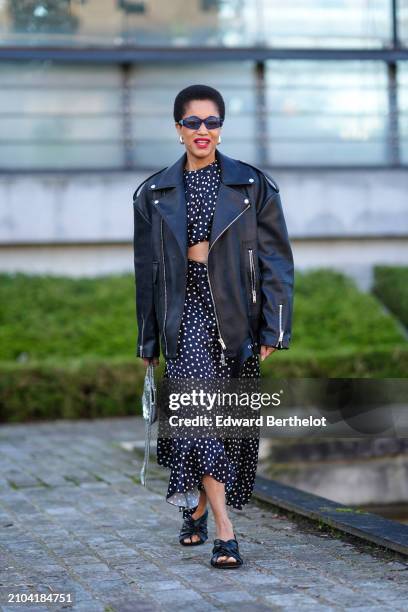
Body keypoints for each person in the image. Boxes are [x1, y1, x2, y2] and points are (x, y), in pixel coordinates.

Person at [133, 84, 294, 568]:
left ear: (221, 127)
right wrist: (147, 336)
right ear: (178, 128)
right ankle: (226, 529)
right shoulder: (153, 192)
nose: (203, 131)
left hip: (235, 320)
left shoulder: (252, 185)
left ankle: (198, 509)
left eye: (212, 122)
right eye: (193, 122)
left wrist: (274, 328)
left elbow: (276, 262)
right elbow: (148, 272)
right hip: (184, 323)